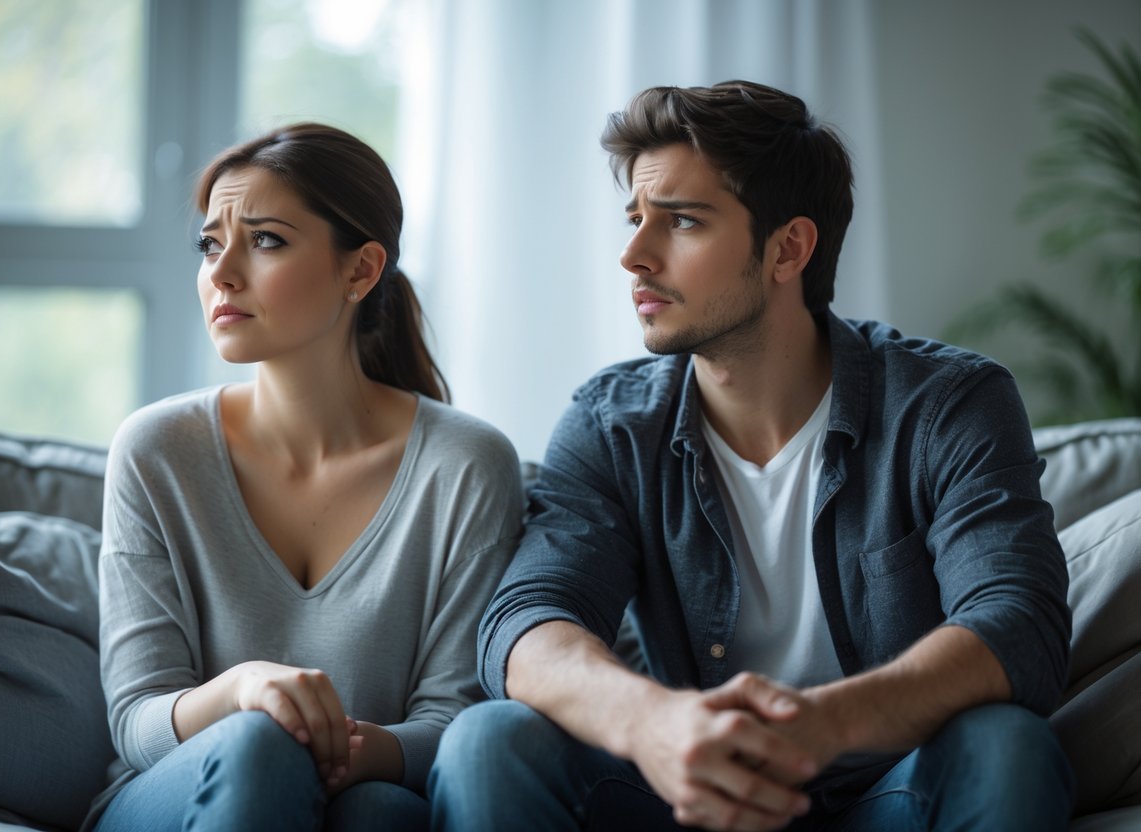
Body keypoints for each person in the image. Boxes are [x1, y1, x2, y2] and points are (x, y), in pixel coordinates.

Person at [428, 81, 1074, 831]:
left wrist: (815, 726)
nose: (632, 255)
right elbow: (528, 620)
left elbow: (1016, 624)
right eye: (636, 219)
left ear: (788, 248)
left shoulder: (947, 403)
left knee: (1006, 747)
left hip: (884, 793)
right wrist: (654, 726)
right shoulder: (611, 424)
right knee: (487, 738)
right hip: (684, 794)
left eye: (682, 223)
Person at [87, 123, 525, 832]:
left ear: (360, 270)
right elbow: (136, 722)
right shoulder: (155, 450)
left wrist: (343, 750)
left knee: (381, 812)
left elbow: (457, 719)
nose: (221, 272)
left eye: (264, 240)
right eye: (208, 243)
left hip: (363, 795)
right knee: (260, 743)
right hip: (172, 797)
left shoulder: (466, 466)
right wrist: (246, 691)